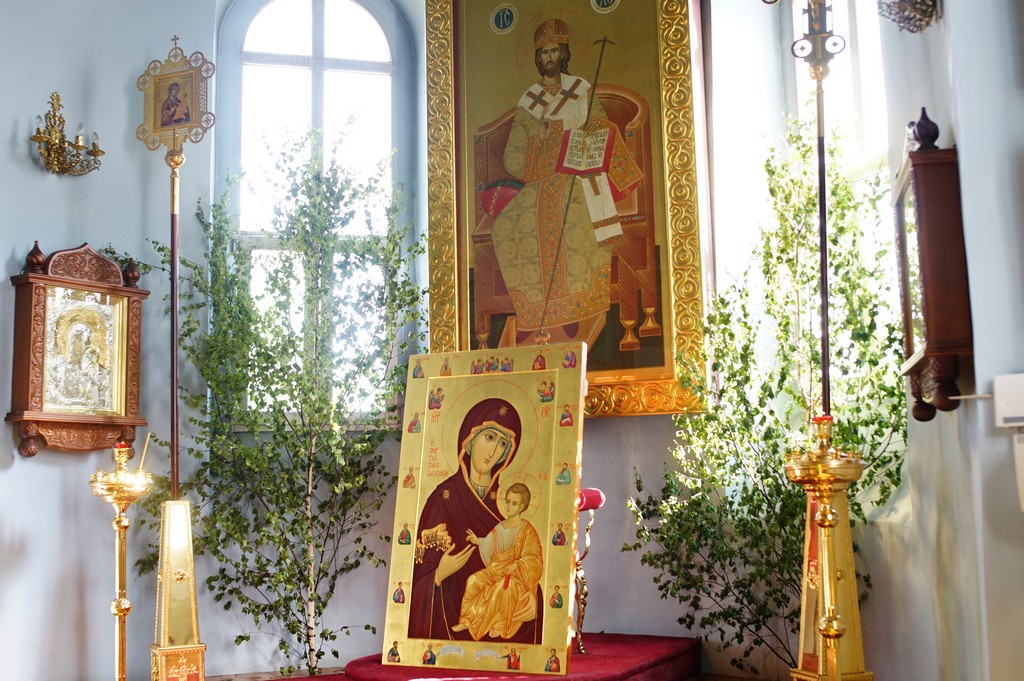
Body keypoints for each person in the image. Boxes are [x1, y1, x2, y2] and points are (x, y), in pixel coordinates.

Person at [486, 18, 642, 346]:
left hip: (578, 175)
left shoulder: (580, 90)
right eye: (543, 52)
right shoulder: (529, 101)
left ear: (564, 53)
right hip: (541, 179)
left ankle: (575, 311)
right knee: (506, 226)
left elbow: (601, 123)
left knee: (573, 219)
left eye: (554, 50)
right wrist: (540, 139)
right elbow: (513, 156)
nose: (549, 57)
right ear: (537, 57)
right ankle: (534, 314)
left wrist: (593, 128)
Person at [408, 398, 543, 644]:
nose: (493, 452)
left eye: (503, 444)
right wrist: (438, 574)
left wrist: (533, 599)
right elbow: (415, 577)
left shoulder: (507, 504)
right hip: (448, 616)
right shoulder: (442, 499)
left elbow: (528, 559)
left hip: (504, 608)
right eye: (489, 437)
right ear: (469, 439)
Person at [450, 483, 543, 640]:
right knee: (473, 581)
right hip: (495, 571)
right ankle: (467, 620)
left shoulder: (527, 530)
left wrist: (517, 564)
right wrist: (478, 541)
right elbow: (490, 544)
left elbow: (534, 558)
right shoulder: (500, 526)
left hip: (515, 577)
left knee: (504, 587)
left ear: (521, 507)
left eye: (514, 503)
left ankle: (499, 624)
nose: (509, 506)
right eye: (507, 501)